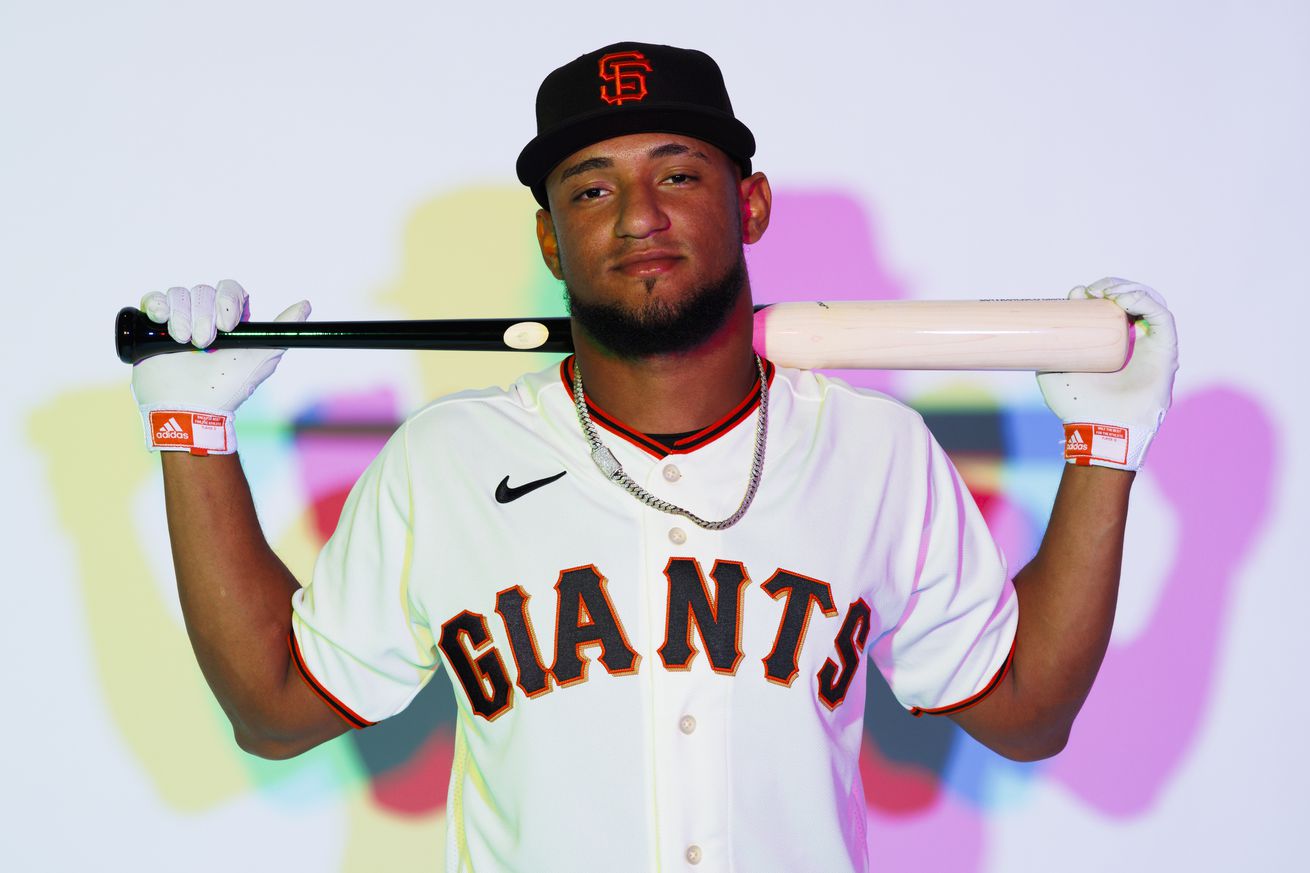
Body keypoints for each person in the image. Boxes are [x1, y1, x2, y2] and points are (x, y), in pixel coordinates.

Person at [129, 41, 1178, 873]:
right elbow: (272, 711)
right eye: (589, 190)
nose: (638, 217)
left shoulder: (874, 451)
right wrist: (192, 436)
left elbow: (1027, 714)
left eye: (677, 172)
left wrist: (1104, 447)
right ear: (548, 240)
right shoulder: (443, 462)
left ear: (750, 204)